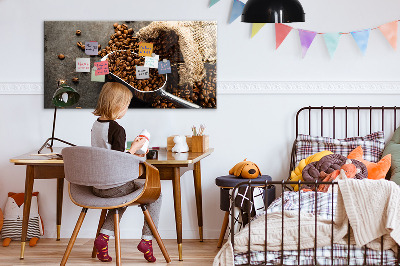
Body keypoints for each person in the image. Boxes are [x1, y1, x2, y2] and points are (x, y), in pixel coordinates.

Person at [91, 82, 161, 263]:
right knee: (156, 194)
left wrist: (130, 149)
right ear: (118, 105)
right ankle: (147, 240)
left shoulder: (96, 125)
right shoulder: (117, 129)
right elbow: (119, 160)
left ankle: (103, 238)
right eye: (127, 106)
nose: (126, 109)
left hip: (97, 186)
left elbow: (108, 154)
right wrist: (136, 148)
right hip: (114, 186)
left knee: (121, 197)